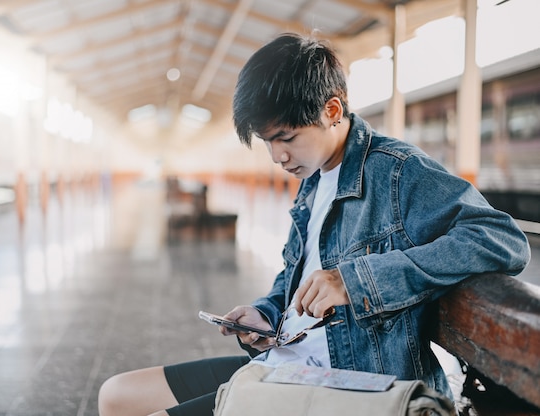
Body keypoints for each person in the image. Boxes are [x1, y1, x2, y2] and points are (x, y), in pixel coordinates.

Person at [98, 33, 531, 416]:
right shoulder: (314, 178)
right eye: (268, 142)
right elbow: (296, 275)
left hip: (348, 385)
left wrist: (356, 281)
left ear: (332, 109)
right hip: (287, 362)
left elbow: (502, 240)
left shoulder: (396, 172)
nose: (277, 156)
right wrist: (266, 313)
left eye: (285, 138)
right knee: (118, 395)